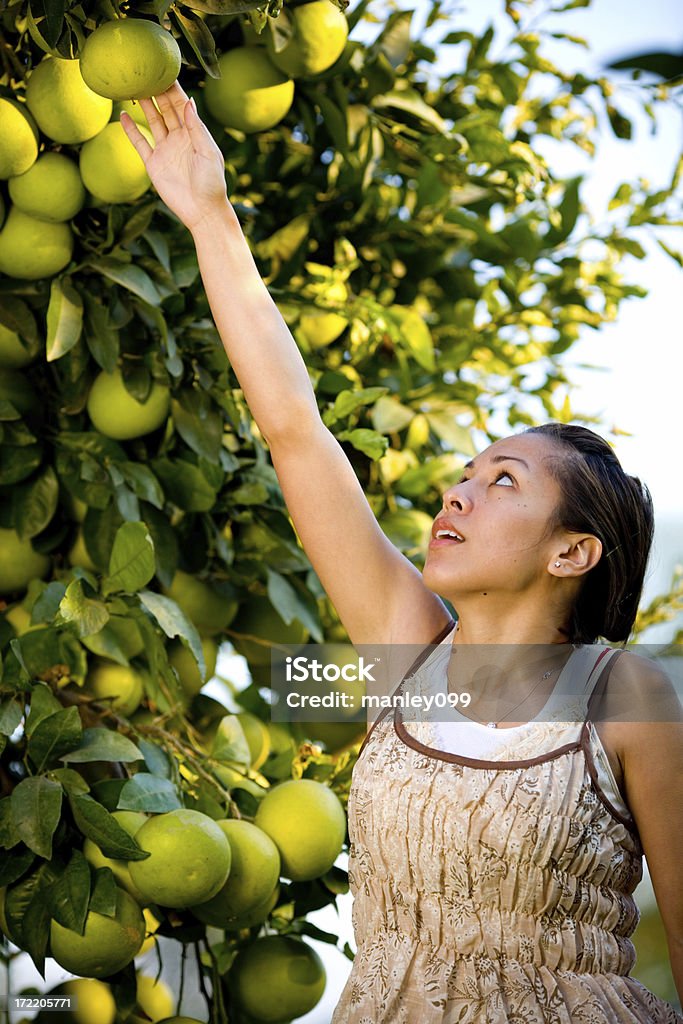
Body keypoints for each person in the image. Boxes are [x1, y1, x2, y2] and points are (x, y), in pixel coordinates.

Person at [121, 84, 683, 1023]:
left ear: (572, 552)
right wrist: (208, 212)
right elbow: (294, 431)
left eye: (503, 481)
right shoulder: (405, 648)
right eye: (463, 473)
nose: (456, 492)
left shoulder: (624, 694)